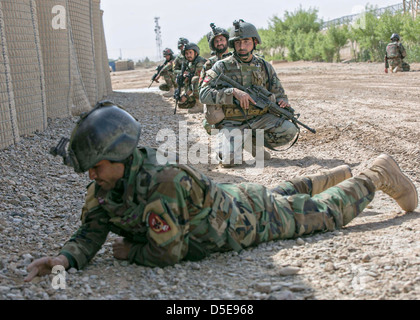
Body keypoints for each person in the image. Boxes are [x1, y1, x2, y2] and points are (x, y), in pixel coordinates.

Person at [24, 101, 418, 282]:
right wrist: (64, 258)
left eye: (96, 166)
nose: (92, 176)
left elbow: (167, 252)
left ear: (121, 156)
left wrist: (132, 252)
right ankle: (337, 173)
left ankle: (375, 174)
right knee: (276, 194)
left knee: (322, 214)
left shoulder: (163, 185)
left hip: (244, 222)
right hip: (228, 199)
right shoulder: (107, 185)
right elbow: (92, 229)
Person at [199, 20, 299, 167]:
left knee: (290, 130)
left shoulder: (264, 66)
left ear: (255, 42)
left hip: (259, 120)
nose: (242, 46)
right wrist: (232, 92)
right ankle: (232, 142)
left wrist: (282, 101)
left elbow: (279, 93)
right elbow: (203, 94)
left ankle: (250, 141)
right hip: (231, 122)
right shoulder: (221, 66)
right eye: (238, 42)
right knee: (228, 161)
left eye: (246, 41)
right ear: (233, 44)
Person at [200, 23, 232, 134]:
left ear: (227, 41)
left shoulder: (236, 58)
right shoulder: (209, 64)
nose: (219, 43)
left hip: (237, 99)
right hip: (219, 100)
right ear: (213, 45)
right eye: (216, 41)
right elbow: (202, 89)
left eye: (222, 40)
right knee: (209, 126)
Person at [177, 43, 207, 112]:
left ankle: (200, 106)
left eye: (190, 53)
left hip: (207, 88)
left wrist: (186, 95)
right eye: (186, 53)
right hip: (199, 89)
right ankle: (196, 102)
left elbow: (198, 81)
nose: (188, 55)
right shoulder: (190, 63)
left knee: (195, 79)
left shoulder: (200, 63)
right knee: (181, 103)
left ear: (196, 53)